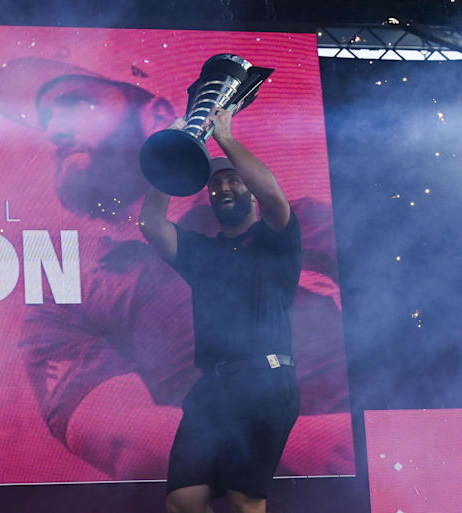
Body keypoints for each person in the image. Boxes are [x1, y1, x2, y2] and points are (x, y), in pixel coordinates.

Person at [0, 57, 351, 481]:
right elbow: (131, 440)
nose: (53, 132)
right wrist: (290, 443)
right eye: (46, 120)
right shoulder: (64, 303)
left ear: (158, 115)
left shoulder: (300, 224)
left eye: (76, 104)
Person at [140, 107, 299, 513]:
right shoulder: (202, 252)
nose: (223, 189)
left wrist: (224, 136)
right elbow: (152, 225)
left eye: (233, 181)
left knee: (245, 502)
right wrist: (172, 159)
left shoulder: (275, 239)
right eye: (215, 185)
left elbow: (272, 194)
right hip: (214, 388)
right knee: (183, 500)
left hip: (265, 382)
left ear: (247, 189)